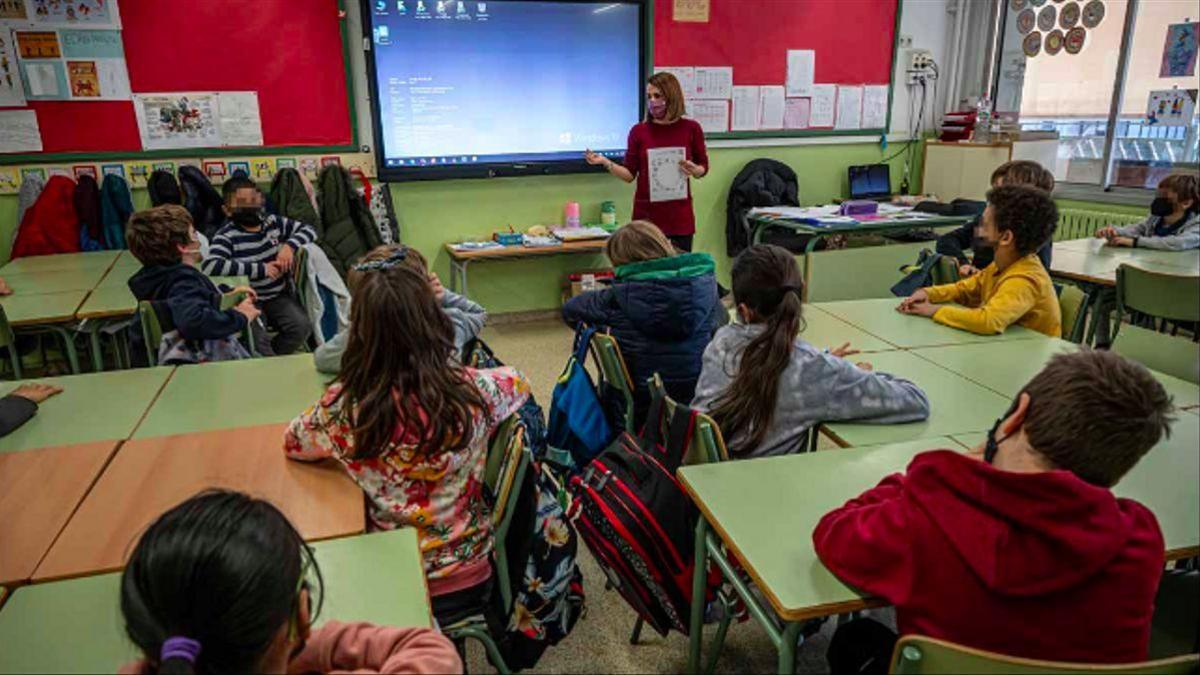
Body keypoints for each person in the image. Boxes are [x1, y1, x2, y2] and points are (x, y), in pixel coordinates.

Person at [814, 350, 1174, 666]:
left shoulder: (924, 518)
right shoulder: (1141, 540)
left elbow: (833, 534)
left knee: (854, 639)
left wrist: (922, 479)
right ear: (1118, 470)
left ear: (1017, 415)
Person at [285, 260, 530, 629]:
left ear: (360, 331)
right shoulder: (476, 391)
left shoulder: (346, 407)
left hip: (387, 574)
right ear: (434, 320)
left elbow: (294, 443)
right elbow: (520, 382)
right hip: (468, 570)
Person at [119, 490, 461, 674]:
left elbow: (295, 438)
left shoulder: (342, 406)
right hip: (460, 565)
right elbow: (436, 653)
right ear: (301, 611)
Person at [692, 245, 930, 457]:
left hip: (713, 487)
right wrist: (855, 373)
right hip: (775, 493)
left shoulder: (721, 341)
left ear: (742, 310)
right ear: (801, 292)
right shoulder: (815, 370)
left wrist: (824, 362)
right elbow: (916, 401)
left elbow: (770, 363)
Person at [562, 220, 723, 428]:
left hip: (642, 402)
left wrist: (603, 332)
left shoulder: (615, 297)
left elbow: (570, 310)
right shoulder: (705, 287)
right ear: (664, 245)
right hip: (699, 395)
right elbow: (721, 326)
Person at [898, 185, 1061, 338]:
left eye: (985, 223)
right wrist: (929, 293)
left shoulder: (1024, 279)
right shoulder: (1002, 265)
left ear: (1005, 237)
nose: (979, 228)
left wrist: (933, 310)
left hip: (1034, 360)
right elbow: (965, 289)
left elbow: (988, 321)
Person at [585, 72, 709, 252]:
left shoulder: (691, 129)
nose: (653, 101)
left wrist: (694, 169)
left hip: (679, 220)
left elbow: (703, 167)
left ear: (672, 96)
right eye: (649, 96)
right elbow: (629, 175)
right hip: (646, 220)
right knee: (646, 274)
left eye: (657, 96)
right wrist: (605, 162)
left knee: (678, 275)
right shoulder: (639, 131)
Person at [314, 245, 485, 375]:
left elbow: (321, 358)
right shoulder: (447, 324)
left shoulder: (360, 337)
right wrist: (442, 297)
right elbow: (478, 313)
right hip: (442, 414)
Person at [126, 205, 260, 361]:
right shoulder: (183, 280)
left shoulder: (155, 278)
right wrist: (240, 316)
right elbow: (192, 320)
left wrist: (224, 294)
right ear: (182, 247)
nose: (198, 238)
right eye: (193, 233)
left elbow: (185, 299)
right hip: (201, 367)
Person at [202, 176, 316, 355]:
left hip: (277, 296)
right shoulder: (226, 236)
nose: (250, 207)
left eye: (253, 200)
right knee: (257, 342)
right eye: (242, 203)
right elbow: (210, 266)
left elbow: (310, 230)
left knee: (301, 327)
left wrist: (289, 246)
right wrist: (261, 269)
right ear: (227, 210)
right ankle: (265, 365)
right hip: (248, 300)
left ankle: (276, 362)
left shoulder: (272, 223)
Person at [935, 160, 1056, 277]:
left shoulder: (1035, 233)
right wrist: (963, 262)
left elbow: (1035, 278)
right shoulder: (988, 221)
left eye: (1000, 192)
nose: (993, 198)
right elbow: (948, 240)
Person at [1095, 173, 1199, 250]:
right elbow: (1137, 229)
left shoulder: (1196, 224)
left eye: (1165, 197)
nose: (1159, 200)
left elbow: (1179, 243)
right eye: (1158, 195)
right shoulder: (1156, 218)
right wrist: (1115, 231)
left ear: (1186, 203)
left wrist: (1136, 242)